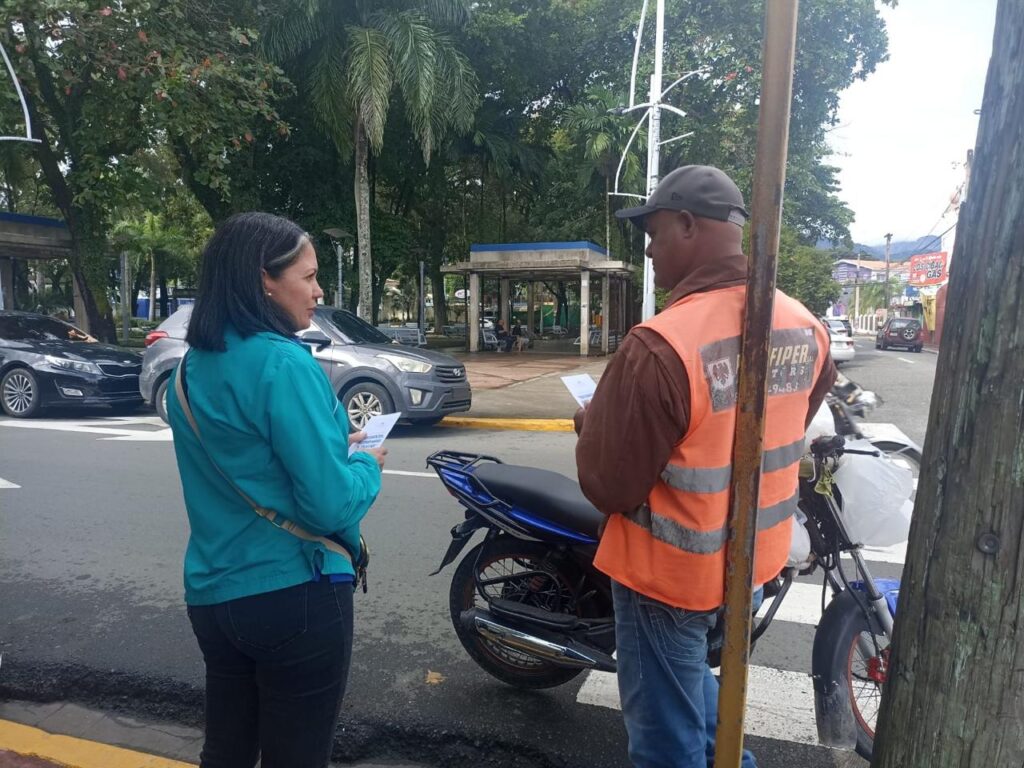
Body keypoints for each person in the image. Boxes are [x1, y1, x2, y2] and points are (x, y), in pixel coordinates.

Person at [574, 166, 836, 768]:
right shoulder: (806, 327)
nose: (648, 250)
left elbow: (608, 485)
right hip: (751, 564)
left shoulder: (660, 344)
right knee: (700, 694)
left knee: (666, 744)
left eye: (654, 233)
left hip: (668, 579)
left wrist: (593, 428)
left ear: (689, 225)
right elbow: (778, 425)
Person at [166, 212, 386, 768]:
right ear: (264, 278)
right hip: (295, 591)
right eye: (308, 277)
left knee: (227, 752)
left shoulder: (189, 368)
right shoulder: (284, 362)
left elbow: (249, 456)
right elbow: (329, 504)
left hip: (214, 595)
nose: (318, 291)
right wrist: (367, 465)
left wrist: (330, 444)